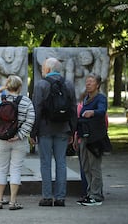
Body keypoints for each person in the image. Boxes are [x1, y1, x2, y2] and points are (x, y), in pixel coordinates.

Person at [30, 57, 77, 207]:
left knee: (45, 163)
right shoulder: (68, 85)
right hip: (63, 129)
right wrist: (72, 131)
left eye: (43, 68)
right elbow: (73, 109)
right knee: (61, 163)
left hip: (44, 129)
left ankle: (47, 197)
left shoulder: (41, 85)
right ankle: (60, 198)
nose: (43, 70)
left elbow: (36, 109)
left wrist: (33, 132)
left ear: (48, 69)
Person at [0, 75, 35, 210]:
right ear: (20, 87)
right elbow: (30, 120)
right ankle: (13, 202)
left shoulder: (0, 99)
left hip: (1, 140)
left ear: (8, 86)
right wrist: (19, 135)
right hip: (18, 141)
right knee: (16, 170)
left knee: (2, 169)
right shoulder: (26, 102)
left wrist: (2, 88)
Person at [76, 73, 108, 206]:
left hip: (95, 137)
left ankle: (96, 195)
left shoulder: (100, 98)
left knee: (94, 167)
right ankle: (90, 193)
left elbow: (102, 111)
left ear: (98, 85)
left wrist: (92, 112)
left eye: (91, 82)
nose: (88, 84)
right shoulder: (85, 98)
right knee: (86, 166)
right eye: (87, 81)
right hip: (83, 136)